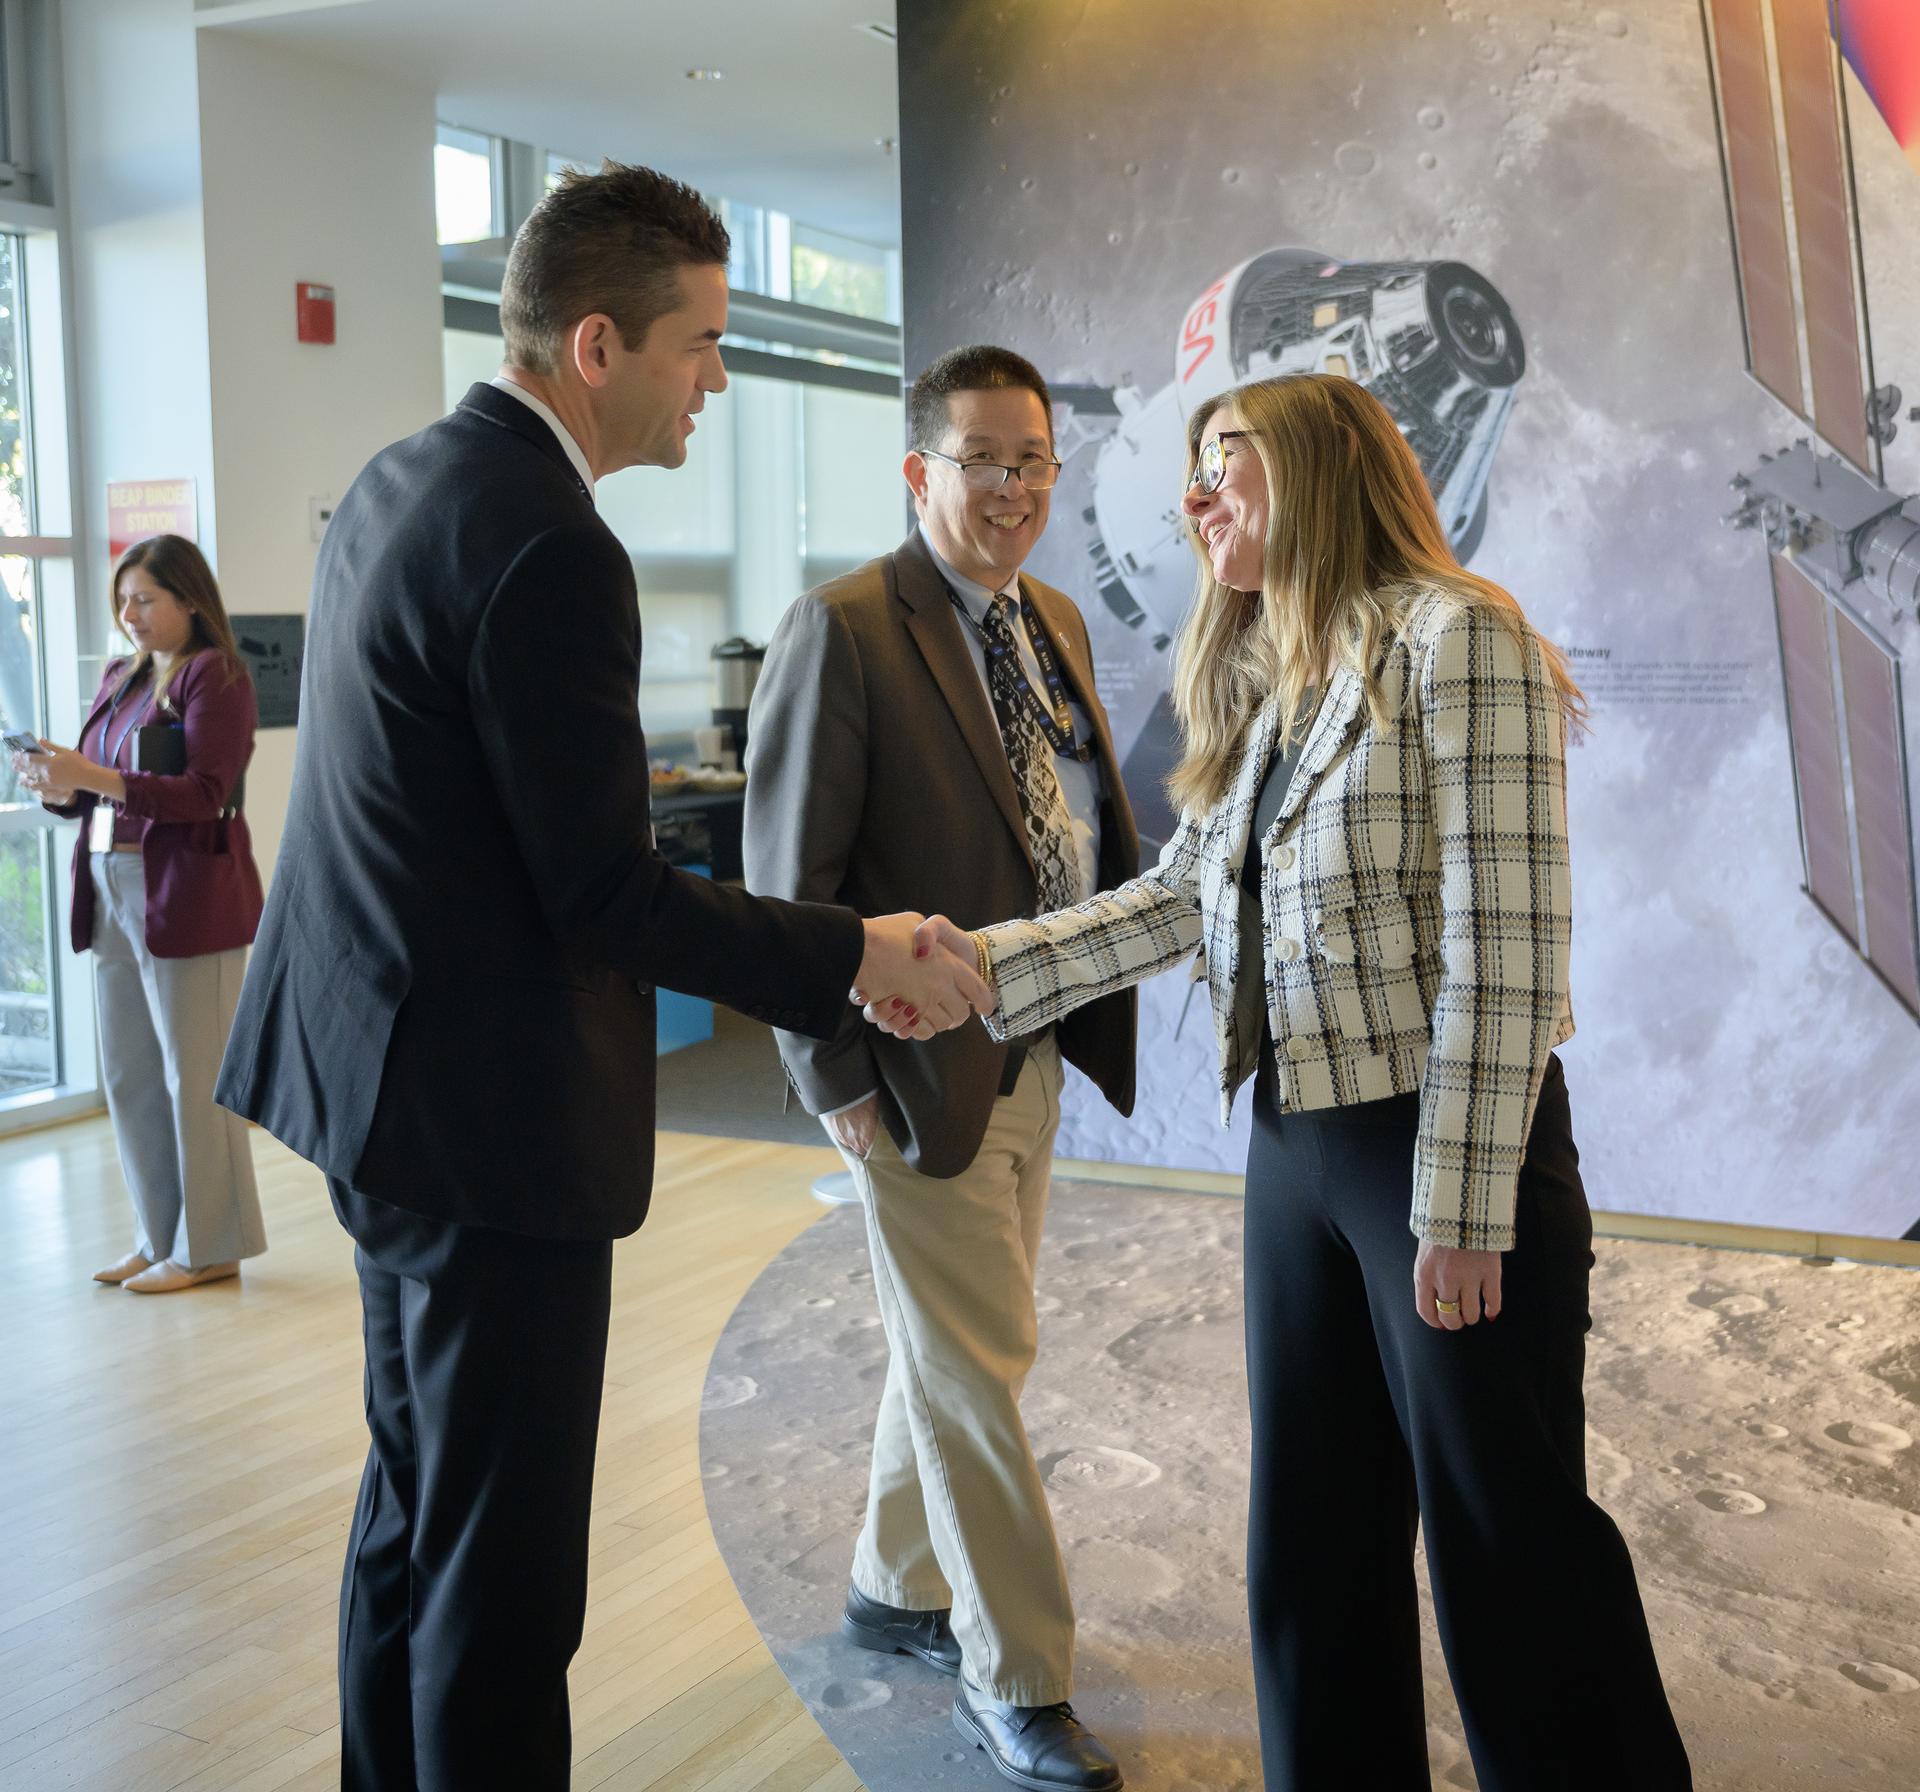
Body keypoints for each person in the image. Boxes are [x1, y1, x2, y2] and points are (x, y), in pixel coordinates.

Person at [212, 162, 986, 1792]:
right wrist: (854, 950)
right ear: (595, 346)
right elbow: (608, 897)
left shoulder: (401, 480)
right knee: (500, 1585)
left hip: (374, 1087)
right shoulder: (555, 545)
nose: (720, 377)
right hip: (486, 1130)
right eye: (702, 342)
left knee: (415, 1513)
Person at [902, 375, 1693, 1792]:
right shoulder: (1281, 675)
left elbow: (1506, 950)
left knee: (1506, 1544)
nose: (1197, 497)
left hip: (1439, 1156)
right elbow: (1178, 901)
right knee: (1313, 1544)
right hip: (1296, 1151)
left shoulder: (1466, 640)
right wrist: (976, 966)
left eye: (1229, 465)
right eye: (1194, 472)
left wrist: (1460, 1205)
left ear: (1324, 474)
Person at [748, 344, 1137, 1792]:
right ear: (922, 471)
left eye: (1035, 459)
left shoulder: (1055, 623)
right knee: (981, 1366)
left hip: (1031, 1045)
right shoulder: (844, 628)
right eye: (985, 458)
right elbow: (790, 885)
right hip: (909, 1073)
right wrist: (828, 1077)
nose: (1018, 487)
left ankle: (887, 1586)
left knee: (965, 1342)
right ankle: (1017, 1677)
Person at [13, 535, 266, 1294]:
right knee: (129, 1073)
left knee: (196, 1077)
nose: (129, 614)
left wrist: (91, 774)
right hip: (110, 880)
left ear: (190, 599)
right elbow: (102, 789)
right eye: (123, 599)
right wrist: (64, 785)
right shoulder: (124, 678)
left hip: (186, 892)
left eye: (145, 598)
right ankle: (159, 1234)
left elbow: (204, 790)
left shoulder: (213, 675)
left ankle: (210, 1244)